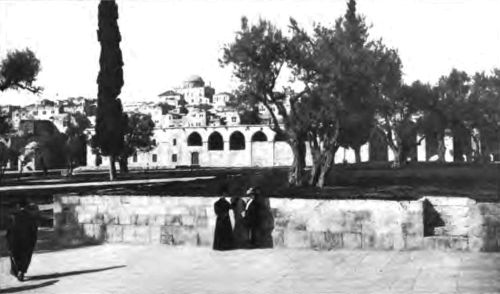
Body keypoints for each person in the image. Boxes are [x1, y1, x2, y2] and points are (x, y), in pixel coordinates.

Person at [6, 198, 39, 281]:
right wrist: (33, 240)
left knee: (15, 256)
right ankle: (21, 271)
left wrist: (8, 240)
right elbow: (34, 229)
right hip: (27, 240)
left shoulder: (13, 216)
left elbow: (9, 230)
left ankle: (18, 271)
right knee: (26, 256)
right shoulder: (30, 216)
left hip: (15, 240)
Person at [212, 186, 234, 251]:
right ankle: (220, 246)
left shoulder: (226, 203)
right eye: (224, 194)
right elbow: (217, 212)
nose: (224, 195)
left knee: (225, 234)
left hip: (225, 220)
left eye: (225, 194)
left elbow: (231, 207)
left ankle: (225, 246)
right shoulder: (217, 203)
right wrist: (223, 215)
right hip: (221, 220)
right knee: (221, 234)